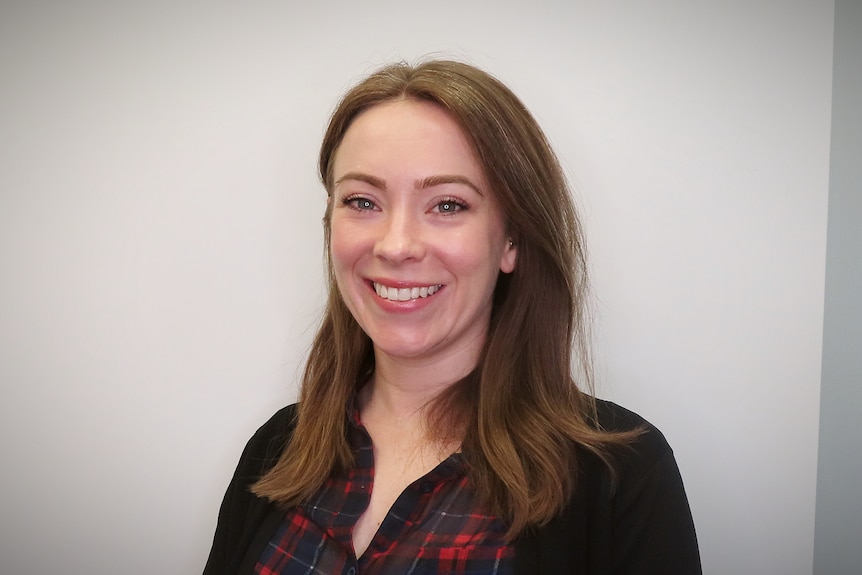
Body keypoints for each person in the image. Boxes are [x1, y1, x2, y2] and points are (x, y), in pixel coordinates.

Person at [204, 59, 701, 575]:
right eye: (362, 200)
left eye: (446, 205)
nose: (395, 246)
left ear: (512, 238)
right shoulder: (275, 450)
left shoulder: (622, 475)